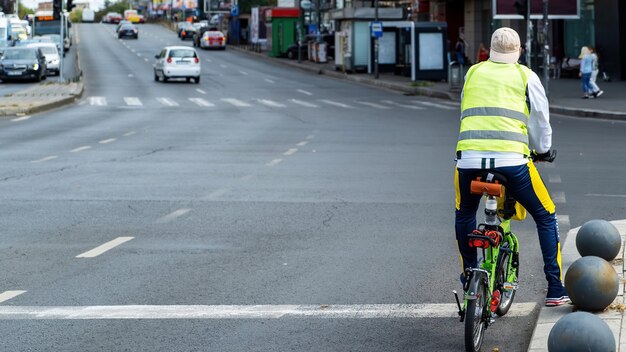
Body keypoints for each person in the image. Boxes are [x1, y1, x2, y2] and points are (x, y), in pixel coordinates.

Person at [454, 27, 569, 307]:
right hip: (512, 162)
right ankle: (555, 287)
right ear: (519, 51)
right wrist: (542, 151)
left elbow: (465, 109)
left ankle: (470, 274)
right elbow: (541, 120)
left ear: (490, 51)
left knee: (464, 213)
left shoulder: (473, 72)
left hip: (468, 160)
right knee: (546, 215)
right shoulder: (525, 75)